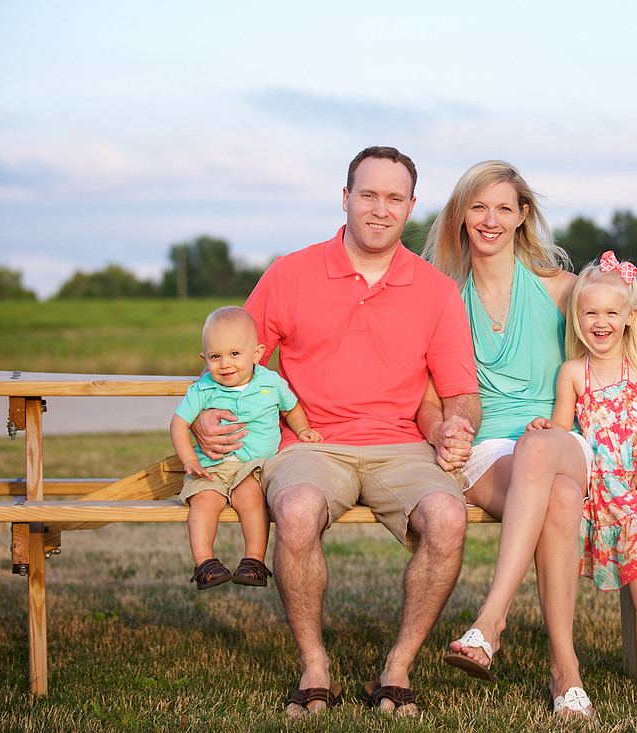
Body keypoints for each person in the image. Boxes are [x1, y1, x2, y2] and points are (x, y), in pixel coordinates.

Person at [191, 147, 481, 719]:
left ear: (412, 207)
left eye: (394, 198)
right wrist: (206, 412)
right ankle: (315, 667)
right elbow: (235, 360)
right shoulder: (289, 274)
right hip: (310, 444)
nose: (380, 208)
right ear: (344, 197)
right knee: (296, 509)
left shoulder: (436, 290)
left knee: (448, 519)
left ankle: (397, 669)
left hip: (402, 445)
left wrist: (458, 426)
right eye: (368, 194)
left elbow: (460, 390)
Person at [420, 161, 637, 721]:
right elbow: (423, 396)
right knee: (560, 498)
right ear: (460, 216)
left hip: (565, 443)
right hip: (486, 454)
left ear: (522, 217)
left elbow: (628, 344)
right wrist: (441, 431)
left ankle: (490, 621)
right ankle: (565, 670)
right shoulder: (439, 297)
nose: (490, 220)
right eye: (478, 207)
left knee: (540, 447)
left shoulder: (562, 290)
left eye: (504, 208)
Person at [531, 252, 637, 671]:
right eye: (590, 312)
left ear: (630, 316)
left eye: (611, 312)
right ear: (577, 318)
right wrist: (547, 428)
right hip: (609, 481)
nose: (600, 321)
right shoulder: (573, 372)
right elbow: (564, 427)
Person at [170, 306, 322, 591]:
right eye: (215, 356)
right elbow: (179, 424)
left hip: (251, 468)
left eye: (234, 354)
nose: (225, 364)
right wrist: (190, 459)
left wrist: (302, 429)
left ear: (257, 354)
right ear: (205, 359)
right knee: (203, 502)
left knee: (251, 499)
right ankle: (205, 564)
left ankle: (254, 561)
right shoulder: (202, 389)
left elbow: (291, 408)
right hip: (211, 466)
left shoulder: (270, 383)